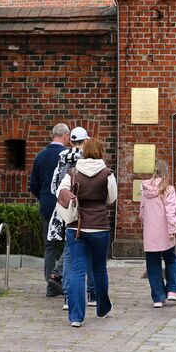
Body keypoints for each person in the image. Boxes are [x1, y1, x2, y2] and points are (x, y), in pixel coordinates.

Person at [57, 137, 116, 327]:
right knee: (99, 268)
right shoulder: (107, 173)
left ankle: (76, 316)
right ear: (100, 152)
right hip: (99, 225)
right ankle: (102, 307)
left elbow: (62, 193)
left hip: (76, 226)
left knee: (76, 271)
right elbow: (111, 199)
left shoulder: (73, 172)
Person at [46, 126, 96, 309]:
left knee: (69, 252)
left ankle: (67, 295)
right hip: (85, 212)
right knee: (89, 251)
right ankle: (91, 293)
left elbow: (54, 188)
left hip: (65, 211)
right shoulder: (87, 159)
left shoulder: (61, 158)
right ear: (84, 141)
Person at [29, 123, 69, 297]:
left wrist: (44, 198)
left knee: (49, 247)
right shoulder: (67, 156)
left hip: (47, 205)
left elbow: (34, 184)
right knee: (70, 243)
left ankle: (50, 286)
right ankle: (58, 275)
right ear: (66, 135)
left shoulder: (40, 156)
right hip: (66, 205)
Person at [139, 159, 176, 307]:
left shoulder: (145, 189)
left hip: (151, 232)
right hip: (165, 232)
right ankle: (172, 290)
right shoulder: (168, 189)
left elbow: (142, 212)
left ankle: (158, 297)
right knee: (171, 259)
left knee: (153, 265)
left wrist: (147, 226)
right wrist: (173, 229)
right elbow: (170, 212)